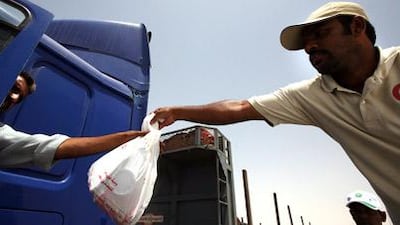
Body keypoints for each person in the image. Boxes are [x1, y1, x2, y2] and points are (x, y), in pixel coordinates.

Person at [150, 2, 400, 223]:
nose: (310, 47)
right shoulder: (312, 95)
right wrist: (177, 111)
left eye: (322, 34)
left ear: (357, 27)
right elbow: (240, 108)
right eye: (306, 44)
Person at [0, 72, 148, 169]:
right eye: (14, 89)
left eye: (19, 97)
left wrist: (125, 138)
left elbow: (48, 146)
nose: (14, 98)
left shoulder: (4, 134)